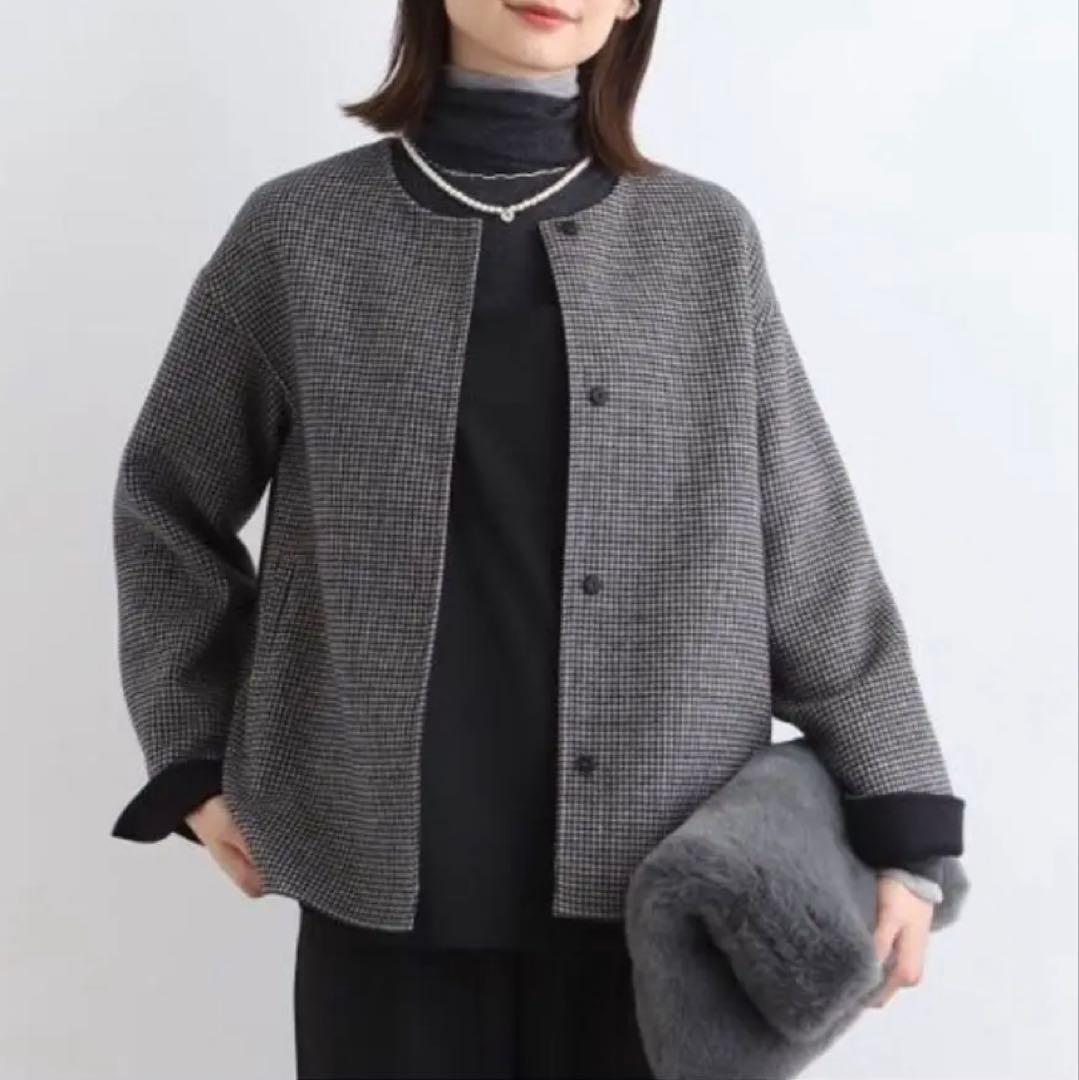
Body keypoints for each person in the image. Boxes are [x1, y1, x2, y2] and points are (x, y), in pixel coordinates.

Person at [109, 1, 965, 1077]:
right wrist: (190, 755)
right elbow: (167, 502)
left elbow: (807, 543)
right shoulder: (300, 232)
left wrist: (901, 825)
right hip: (376, 876)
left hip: (658, 886)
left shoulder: (702, 240)